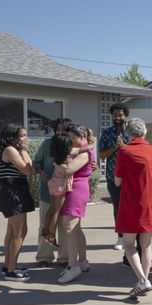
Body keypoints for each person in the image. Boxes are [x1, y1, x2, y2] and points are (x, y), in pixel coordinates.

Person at [114, 118, 152, 298]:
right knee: (147, 246)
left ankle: (143, 280)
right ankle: (142, 282)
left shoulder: (125, 152)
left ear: (128, 134)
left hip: (132, 204)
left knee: (129, 245)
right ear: (144, 132)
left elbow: (117, 181)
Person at [0, 125, 35, 281]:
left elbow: (29, 168)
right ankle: (11, 272)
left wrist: (24, 151)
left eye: (26, 135)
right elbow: (28, 170)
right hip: (14, 194)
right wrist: (24, 150)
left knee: (12, 233)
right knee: (20, 232)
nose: (25, 138)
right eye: (22, 136)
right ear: (12, 137)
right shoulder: (11, 150)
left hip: (15, 193)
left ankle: (8, 266)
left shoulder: (11, 151)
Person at [57, 125, 94, 284]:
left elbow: (68, 169)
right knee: (76, 228)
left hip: (77, 190)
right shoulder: (82, 150)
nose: (71, 143)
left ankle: (73, 267)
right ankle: (83, 262)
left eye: (74, 139)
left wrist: (56, 162)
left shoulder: (84, 152)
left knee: (69, 227)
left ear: (83, 137)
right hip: (77, 189)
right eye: (69, 139)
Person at [34, 118, 71, 268]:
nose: (60, 132)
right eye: (58, 129)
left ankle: (64, 258)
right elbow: (36, 162)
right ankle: (44, 256)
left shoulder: (71, 145)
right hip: (46, 191)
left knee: (64, 227)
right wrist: (41, 172)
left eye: (64, 130)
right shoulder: (46, 144)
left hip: (67, 194)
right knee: (45, 222)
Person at [99, 103, 129, 251]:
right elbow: (102, 155)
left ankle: (133, 236)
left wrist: (124, 147)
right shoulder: (106, 133)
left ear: (125, 115)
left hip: (131, 177)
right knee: (117, 207)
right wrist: (115, 147)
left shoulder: (132, 131)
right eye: (115, 115)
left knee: (131, 207)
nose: (117, 117)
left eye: (120, 115)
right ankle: (121, 237)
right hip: (113, 176)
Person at [40, 134, 75, 248]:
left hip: (52, 184)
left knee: (51, 208)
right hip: (60, 187)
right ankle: (51, 235)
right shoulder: (66, 162)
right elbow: (69, 171)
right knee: (57, 211)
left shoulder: (55, 158)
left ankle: (45, 228)